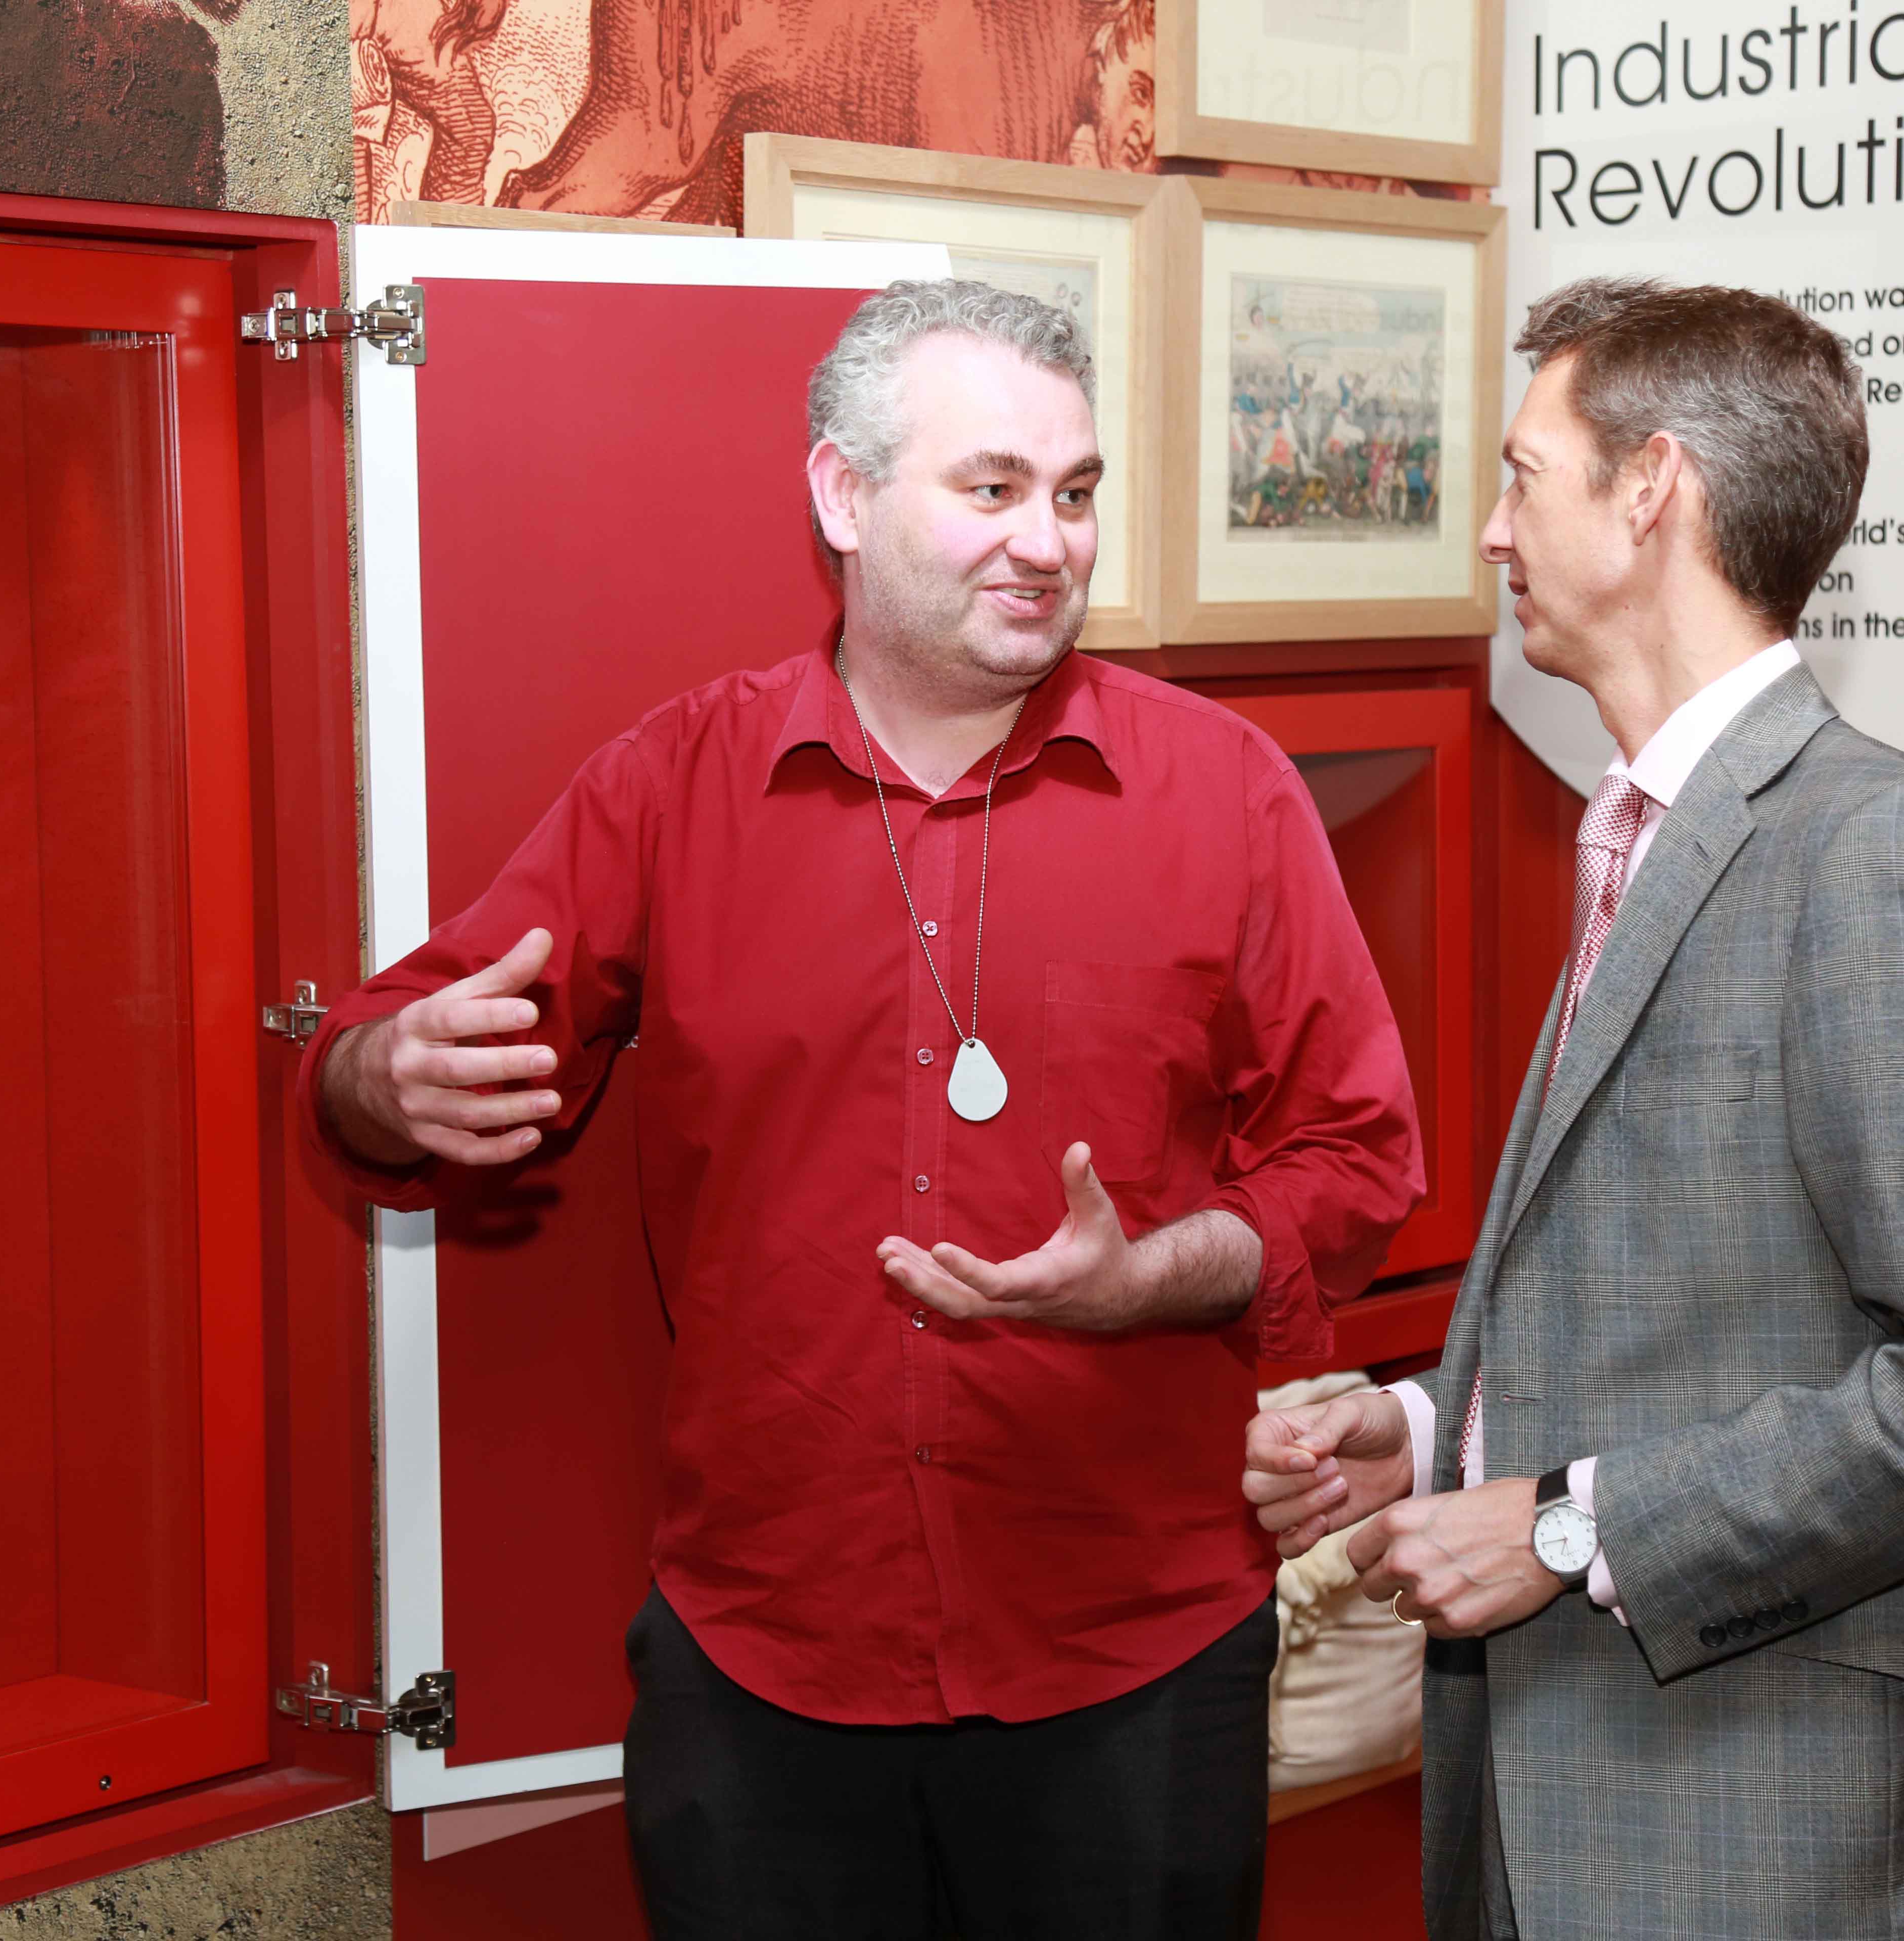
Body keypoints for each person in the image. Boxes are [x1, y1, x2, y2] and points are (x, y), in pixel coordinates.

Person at [300, 279, 1422, 1939]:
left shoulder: (1227, 792)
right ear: (843, 494)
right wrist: (384, 1074)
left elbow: (1359, 1158)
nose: (1047, 541)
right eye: (993, 488)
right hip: (768, 1665)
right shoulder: (678, 785)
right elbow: (381, 1060)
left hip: (1132, 1658)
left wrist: (1158, 1274)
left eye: (1076, 492)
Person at [1242, 279, 1904, 1938]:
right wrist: (1425, 1430)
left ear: (1651, 489)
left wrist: (1570, 1529)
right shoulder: (1649, 827)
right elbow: (1680, 1309)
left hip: (1762, 1831)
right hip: (1565, 1797)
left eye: (1523, 476)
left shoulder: (1886, 853)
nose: (1493, 531)